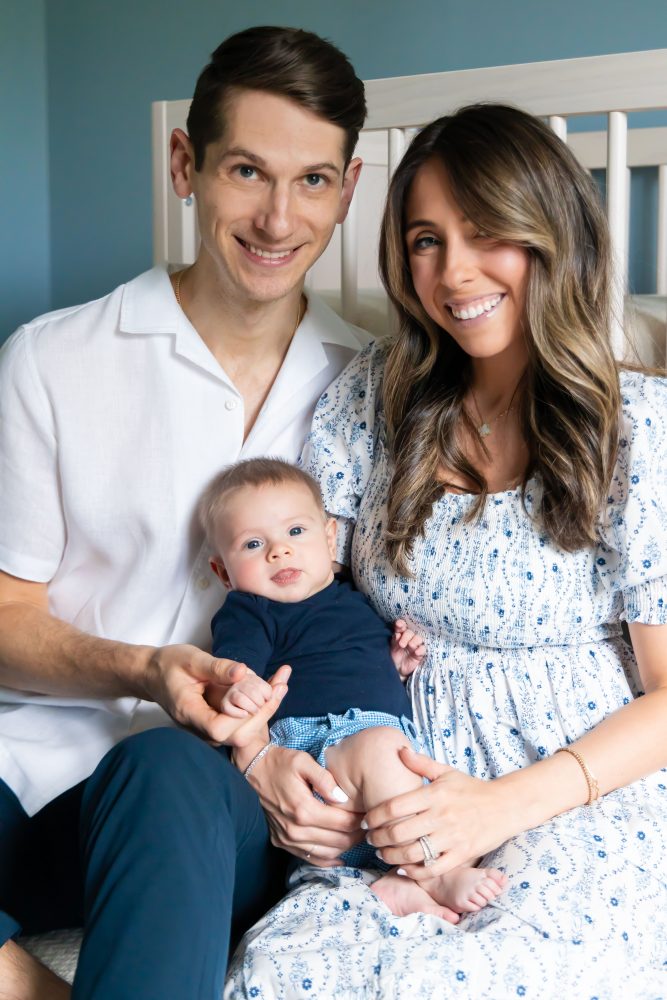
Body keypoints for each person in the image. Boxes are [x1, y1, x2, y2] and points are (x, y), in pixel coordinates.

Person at [225, 104, 667, 998]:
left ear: (553, 235)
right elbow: (301, 606)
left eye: (487, 232)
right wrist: (267, 761)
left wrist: (499, 806)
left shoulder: (636, 430)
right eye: (425, 240)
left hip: (574, 792)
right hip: (393, 789)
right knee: (279, 975)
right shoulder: (374, 399)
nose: (452, 272)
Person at [0, 26, 370, 1000]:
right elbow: (4, 620)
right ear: (185, 165)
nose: (278, 218)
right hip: (37, 783)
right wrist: (144, 669)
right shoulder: (52, 359)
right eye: (248, 170)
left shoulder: (372, 387)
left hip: (217, 800)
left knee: (163, 768)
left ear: (349, 187)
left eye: (313, 181)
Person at [199, 456, 507, 921]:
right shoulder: (250, 611)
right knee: (385, 751)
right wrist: (237, 691)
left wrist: (395, 667)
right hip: (313, 745)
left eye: (295, 533)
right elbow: (228, 674)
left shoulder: (354, 598)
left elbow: (354, 670)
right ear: (224, 573)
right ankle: (434, 873)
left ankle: (393, 884)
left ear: (329, 538)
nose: (278, 552)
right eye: (254, 543)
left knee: (409, 770)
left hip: (372, 746)